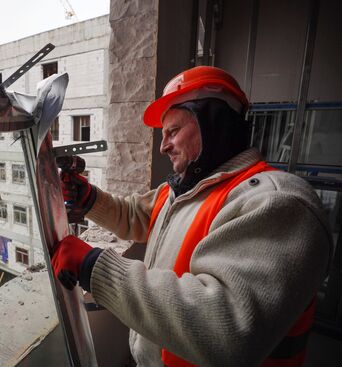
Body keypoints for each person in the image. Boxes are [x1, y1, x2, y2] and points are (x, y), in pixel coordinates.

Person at [51, 66, 332, 367]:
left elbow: (227, 329)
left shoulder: (276, 201)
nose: (162, 146)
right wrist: (89, 198)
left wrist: (94, 267)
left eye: (173, 131)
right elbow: (134, 216)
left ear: (214, 124)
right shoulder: (187, 190)